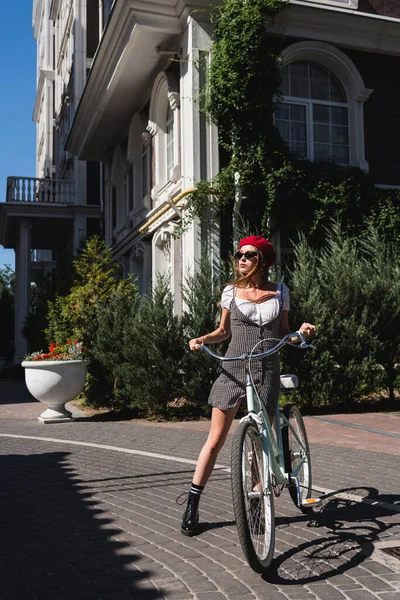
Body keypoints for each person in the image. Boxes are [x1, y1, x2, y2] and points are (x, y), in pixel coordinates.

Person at [181, 235, 315, 536]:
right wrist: (202, 339)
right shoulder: (231, 291)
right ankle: (192, 503)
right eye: (239, 254)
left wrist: (301, 331)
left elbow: (285, 333)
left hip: (266, 368)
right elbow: (223, 331)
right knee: (215, 440)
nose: (241, 259)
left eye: (249, 255)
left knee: (261, 442)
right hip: (232, 368)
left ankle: (255, 500)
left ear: (263, 261)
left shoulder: (280, 291)